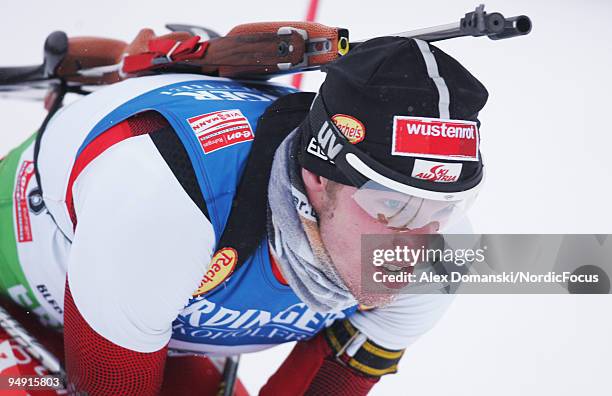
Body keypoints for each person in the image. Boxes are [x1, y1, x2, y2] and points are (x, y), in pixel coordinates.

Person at [0, 36, 487, 395]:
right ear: (319, 177)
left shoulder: (442, 256)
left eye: (443, 207)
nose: (415, 242)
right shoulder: (171, 199)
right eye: (391, 205)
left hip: (153, 335)